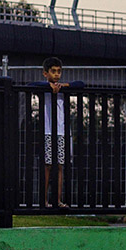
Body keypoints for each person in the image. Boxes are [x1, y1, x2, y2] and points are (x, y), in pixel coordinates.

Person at [30, 57, 83, 209]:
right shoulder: (44, 89)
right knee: (47, 165)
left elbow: (80, 84)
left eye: (59, 72)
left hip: (62, 132)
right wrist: (48, 86)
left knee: (59, 166)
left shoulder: (63, 88)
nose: (56, 75)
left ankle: (58, 201)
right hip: (48, 131)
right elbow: (31, 85)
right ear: (45, 73)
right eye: (53, 72)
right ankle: (44, 200)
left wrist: (64, 86)